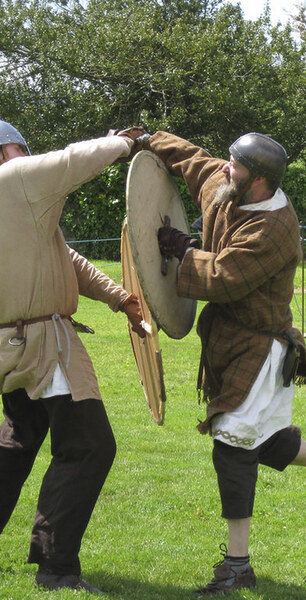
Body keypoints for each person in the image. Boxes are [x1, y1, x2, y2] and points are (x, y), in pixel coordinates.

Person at [142, 130, 306, 596]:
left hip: (261, 349)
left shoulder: (274, 228)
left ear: (259, 180)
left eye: (236, 166)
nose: (226, 169)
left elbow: (224, 277)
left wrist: (184, 250)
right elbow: (197, 164)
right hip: (232, 342)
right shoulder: (230, 190)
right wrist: (146, 140)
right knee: (261, 440)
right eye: (229, 162)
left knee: (232, 448)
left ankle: (238, 565)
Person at [0, 120, 147, 593]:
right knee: (88, 446)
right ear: (10, 149)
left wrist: (117, 296)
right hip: (42, 349)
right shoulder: (14, 179)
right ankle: (57, 566)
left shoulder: (17, 207)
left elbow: (63, 257)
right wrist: (122, 143)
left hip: (11, 349)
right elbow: (70, 161)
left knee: (17, 443)